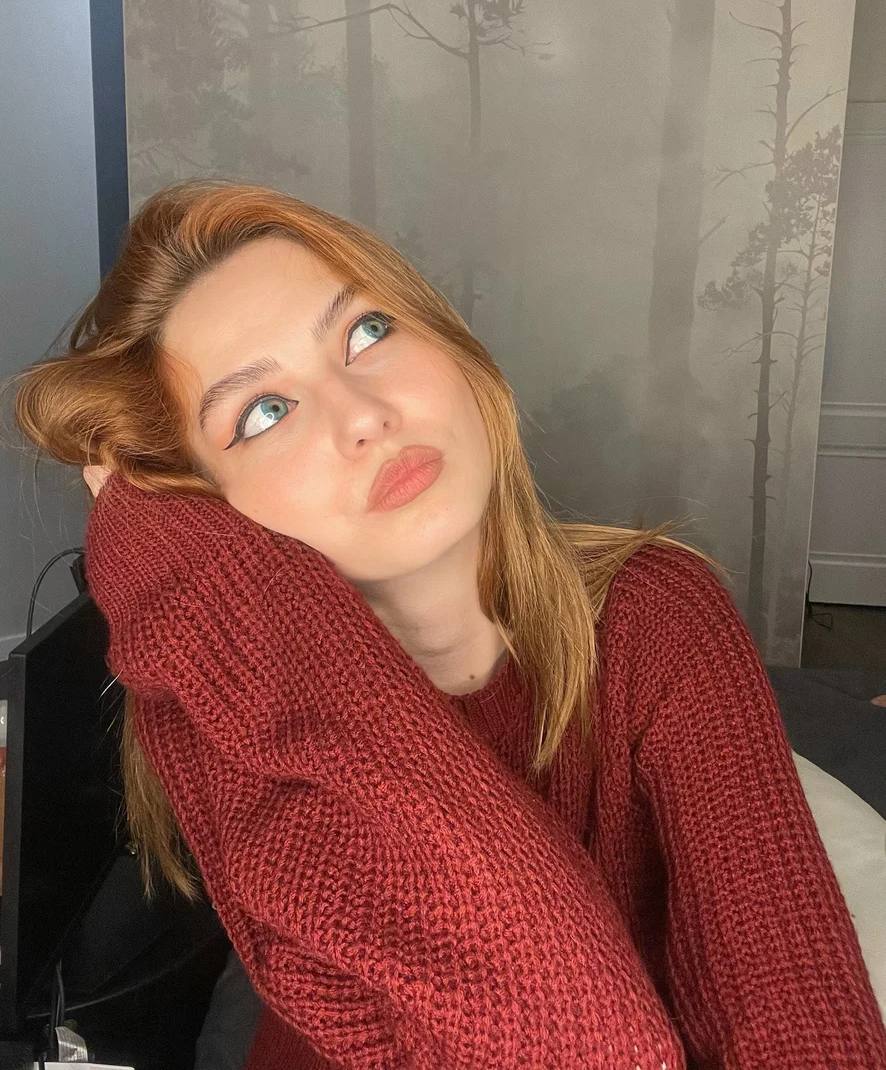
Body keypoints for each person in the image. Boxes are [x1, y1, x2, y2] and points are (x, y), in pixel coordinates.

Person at [10, 180, 886, 1069]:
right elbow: (576, 1036)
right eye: (264, 412)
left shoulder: (658, 616)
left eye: (366, 332)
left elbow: (796, 1007)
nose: (366, 416)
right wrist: (179, 554)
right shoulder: (255, 734)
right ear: (204, 515)